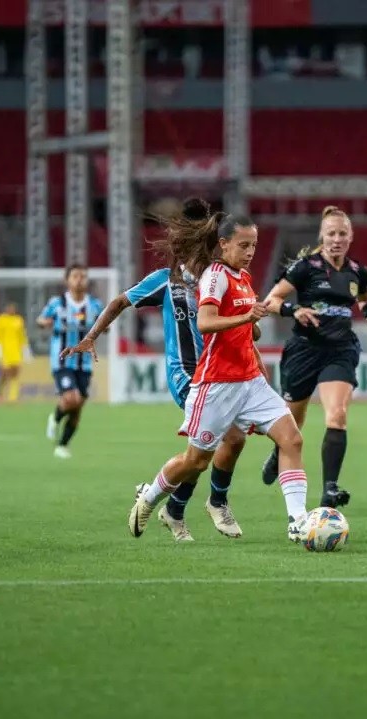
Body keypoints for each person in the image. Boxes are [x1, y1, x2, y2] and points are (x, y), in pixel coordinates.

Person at [62, 199, 246, 540]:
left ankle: (172, 508)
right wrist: (90, 338)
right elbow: (119, 301)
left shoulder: (215, 281)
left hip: (218, 372)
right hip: (186, 375)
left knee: (203, 454)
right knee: (228, 438)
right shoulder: (165, 281)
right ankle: (215, 502)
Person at [128, 211, 312, 543]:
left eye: (254, 245)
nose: (251, 251)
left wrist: (251, 330)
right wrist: (245, 316)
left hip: (250, 382)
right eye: (244, 245)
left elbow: (245, 325)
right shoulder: (215, 276)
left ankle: (298, 521)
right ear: (223, 244)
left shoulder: (242, 276)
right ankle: (151, 495)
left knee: (292, 439)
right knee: (195, 461)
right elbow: (206, 323)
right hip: (216, 385)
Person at [261, 206, 367, 508]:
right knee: (293, 420)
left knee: (337, 415)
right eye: (331, 233)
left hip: (339, 350)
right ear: (322, 236)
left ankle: (329, 489)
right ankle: (279, 452)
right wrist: (294, 310)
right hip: (304, 349)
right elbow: (271, 300)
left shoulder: (359, 272)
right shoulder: (306, 267)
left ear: (351, 237)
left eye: (342, 234)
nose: (337, 239)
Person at [37, 264, 104, 459]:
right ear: (67, 280)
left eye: (83, 276)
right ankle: (55, 417)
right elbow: (41, 319)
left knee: (78, 407)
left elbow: (104, 323)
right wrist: (45, 323)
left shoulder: (94, 305)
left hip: (85, 363)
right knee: (70, 399)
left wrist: (103, 329)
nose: (80, 280)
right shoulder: (57, 303)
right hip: (62, 361)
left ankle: (62, 445)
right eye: (75, 276)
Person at [0, 302, 31, 404]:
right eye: (9, 307)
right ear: (6, 308)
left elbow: (22, 336)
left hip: (16, 351)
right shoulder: (0, 319)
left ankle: (13, 397)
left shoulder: (18, 320)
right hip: (5, 352)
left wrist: (26, 351)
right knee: (4, 374)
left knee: (15, 374)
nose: (11, 309)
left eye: (13, 308)